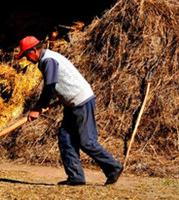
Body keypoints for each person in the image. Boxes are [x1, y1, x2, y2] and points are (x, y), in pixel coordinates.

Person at [16, 36, 123, 186]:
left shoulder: (48, 60)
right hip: (71, 103)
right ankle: (76, 177)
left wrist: (38, 108)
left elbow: (50, 86)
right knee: (66, 139)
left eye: (26, 55)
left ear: (34, 50)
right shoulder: (46, 59)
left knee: (86, 141)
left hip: (80, 101)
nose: (27, 59)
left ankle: (113, 167)